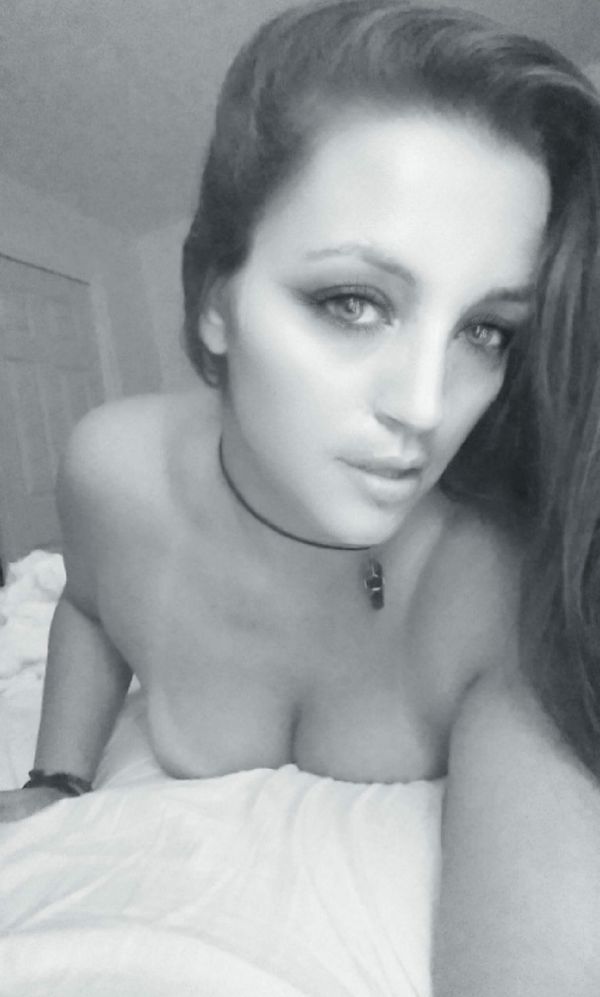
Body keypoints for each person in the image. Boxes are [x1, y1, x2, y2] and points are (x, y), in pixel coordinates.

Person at [2, 0, 600, 992]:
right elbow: (91, 604)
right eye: (354, 302)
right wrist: (57, 777)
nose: (425, 406)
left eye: (485, 330)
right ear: (216, 298)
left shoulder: (496, 582)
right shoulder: (113, 463)